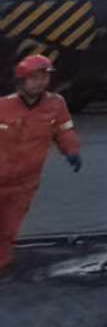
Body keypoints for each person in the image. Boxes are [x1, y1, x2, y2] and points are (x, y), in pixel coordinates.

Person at [1, 54, 82, 275]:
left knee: (8, 230)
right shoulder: (3, 107)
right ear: (21, 81)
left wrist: (72, 151)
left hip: (25, 183)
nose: (40, 82)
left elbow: (65, 130)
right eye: (35, 78)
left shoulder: (55, 104)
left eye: (44, 77)